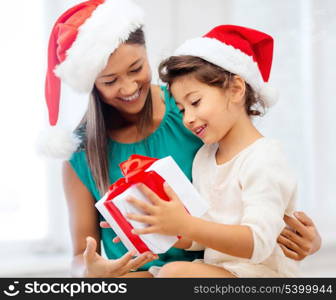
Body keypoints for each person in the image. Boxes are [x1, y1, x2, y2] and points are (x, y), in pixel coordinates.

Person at [43, 0, 321, 277]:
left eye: (136, 68)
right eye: (110, 81)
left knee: (173, 274)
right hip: (161, 273)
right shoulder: (81, 153)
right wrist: (92, 272)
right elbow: (81, 255)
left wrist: (308, 240)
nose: (128, 87)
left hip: (213, 272)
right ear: (92, 83)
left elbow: (259, 187)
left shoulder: (196, 108)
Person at [124, 25, 316, 277]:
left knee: (173, 274)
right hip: (220, 270)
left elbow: (257, 244)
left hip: (261, 274)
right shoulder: (204, 157)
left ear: (236, 89)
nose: (188, 119)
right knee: (128, 281)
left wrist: (186, 224)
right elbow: (202, 239)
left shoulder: (264, 158)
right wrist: (161, 226)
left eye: (195, 102)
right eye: (181, 110)